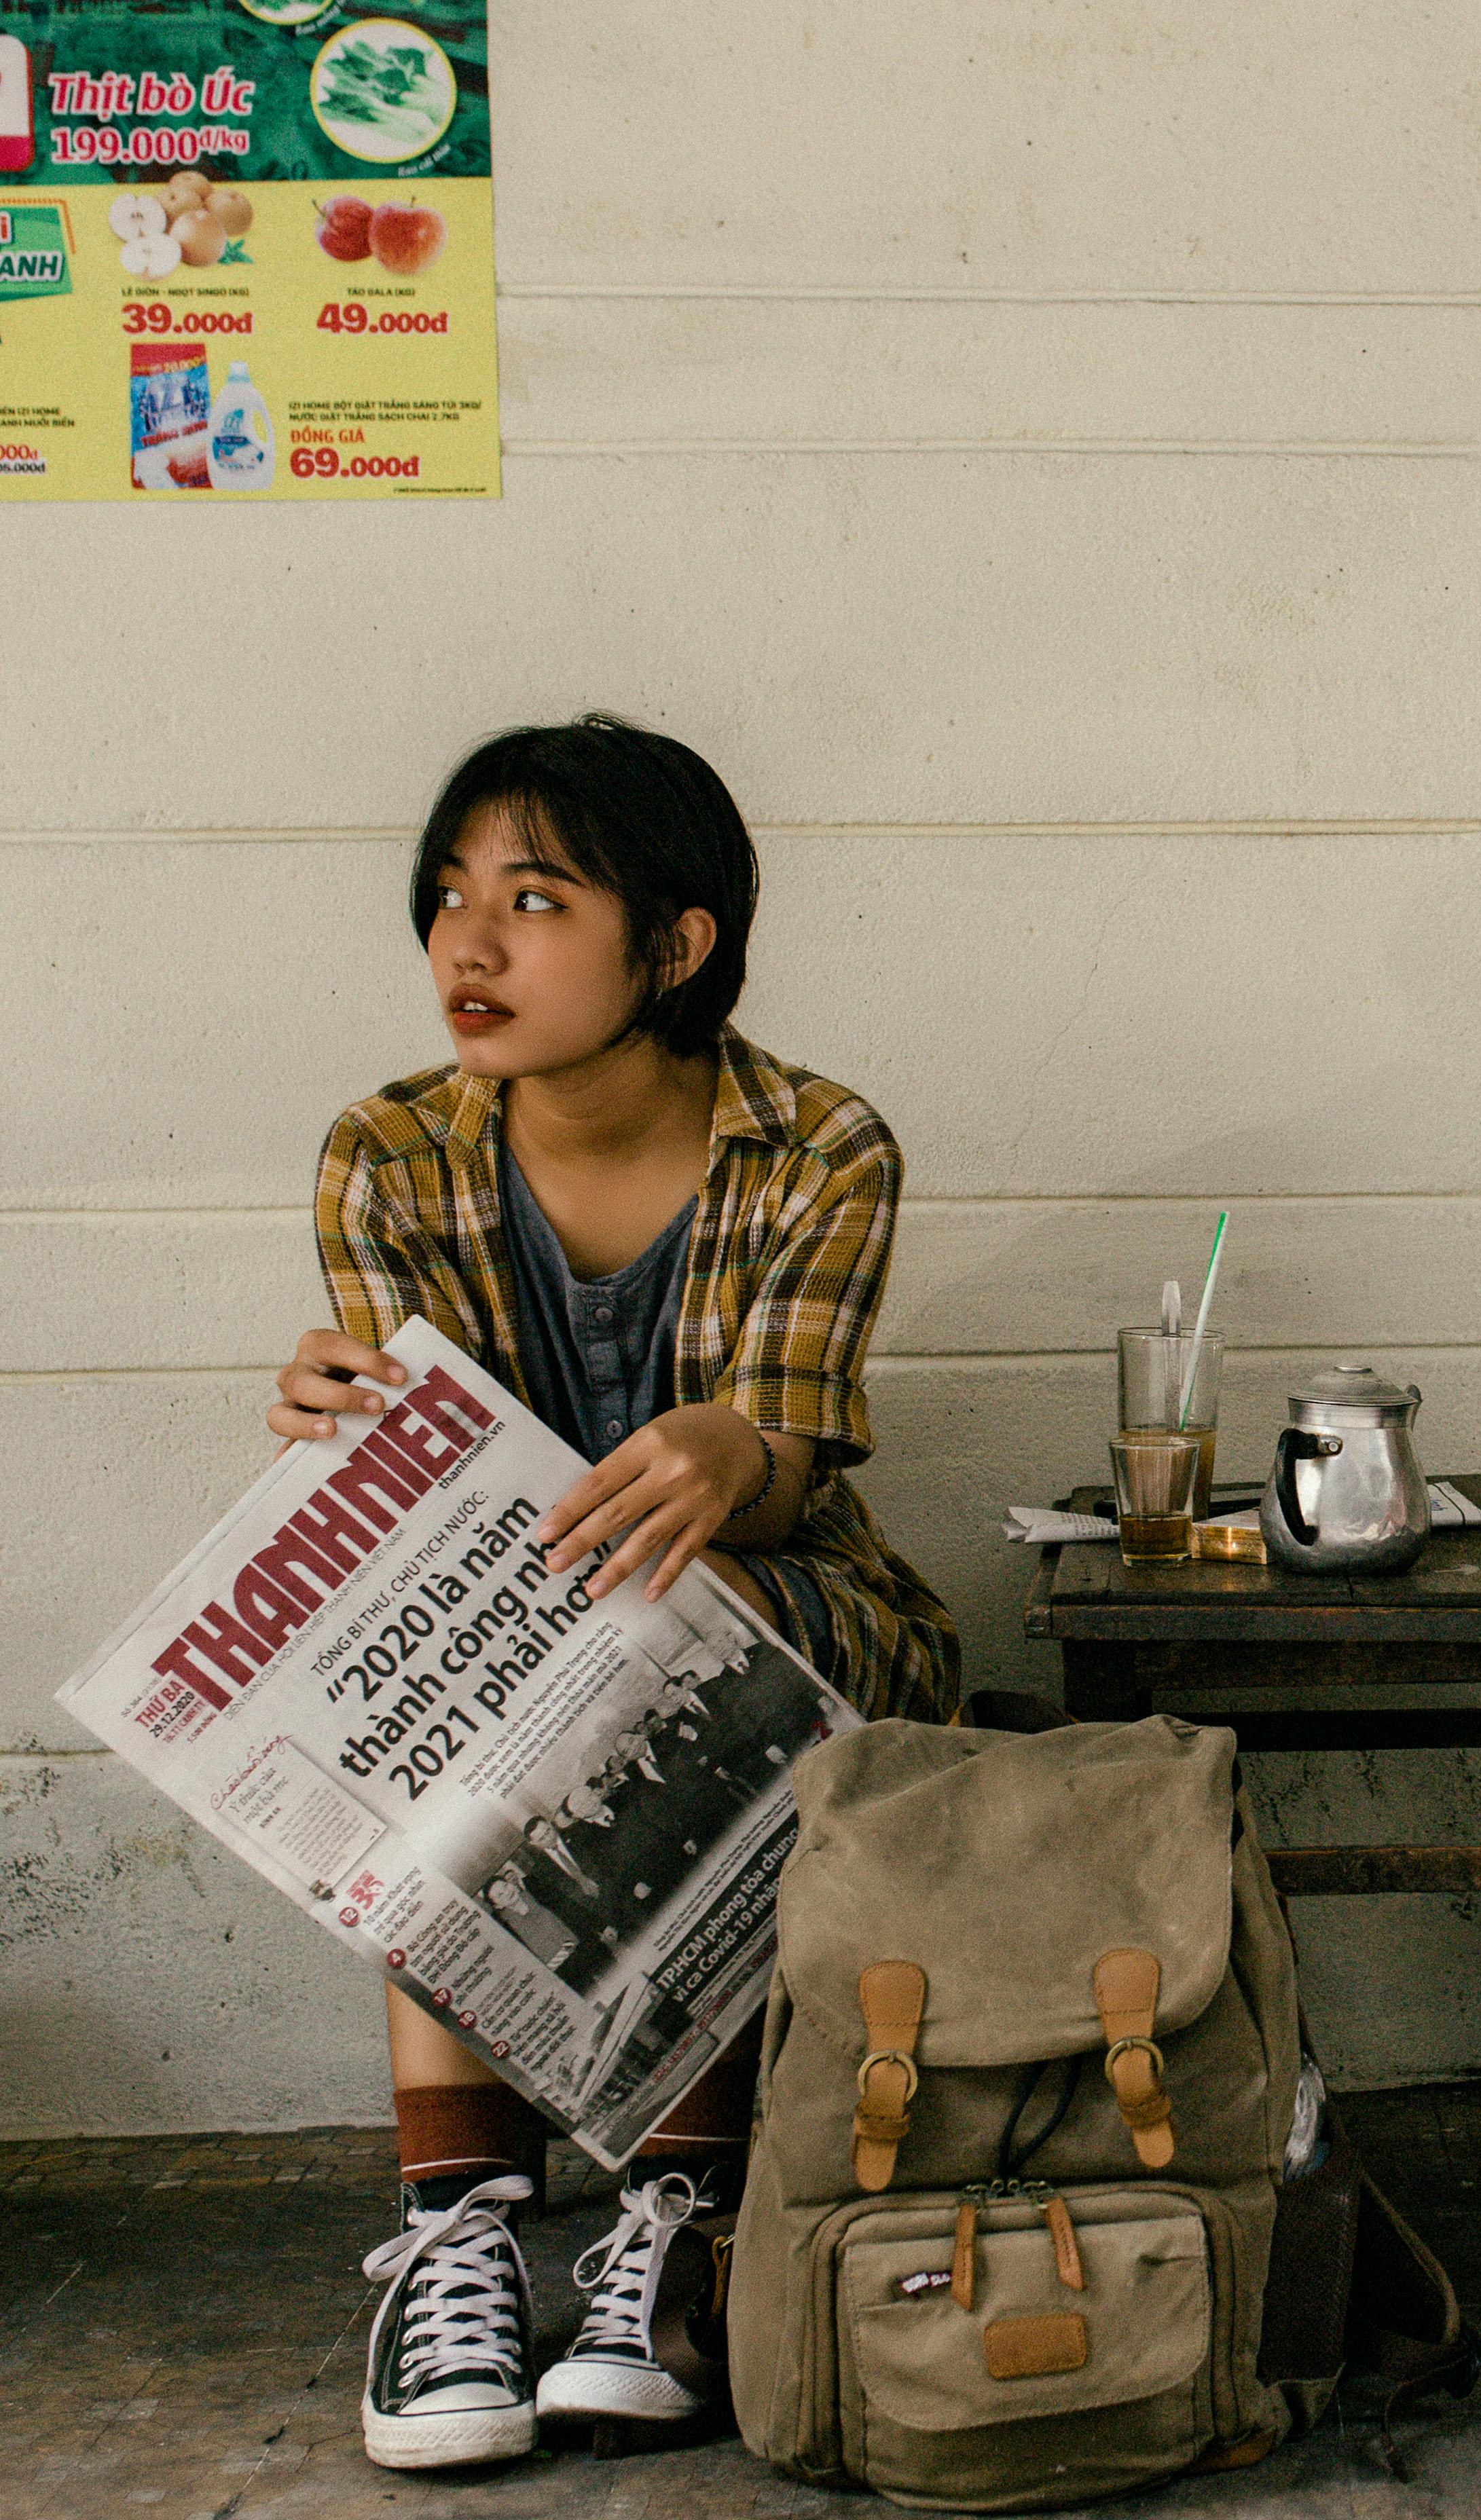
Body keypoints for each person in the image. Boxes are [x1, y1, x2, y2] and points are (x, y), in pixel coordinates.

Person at [268, 714, 959, 2470]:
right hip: (520, 1635)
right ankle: (462, 2235)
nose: (467, 949)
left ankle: (677, 2218)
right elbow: (428, 1534)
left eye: (535, 898)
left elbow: (799, 1471)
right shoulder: (390, 1155)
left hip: (798, 1616)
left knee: (659, 1637)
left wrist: (743, 1450)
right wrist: (330, 1435)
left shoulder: (818, 1147)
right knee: (447, 1677)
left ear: (676, 943)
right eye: (447, 899)